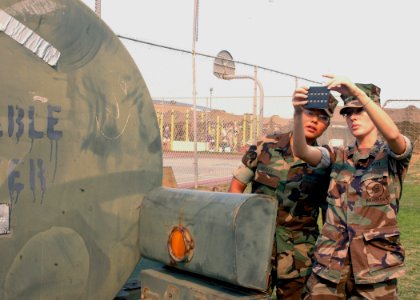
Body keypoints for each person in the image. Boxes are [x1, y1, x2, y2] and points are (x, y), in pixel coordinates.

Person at [292, 75, 413, 299]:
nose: (352, 118)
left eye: (359, 111)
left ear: (375, 111)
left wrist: (358, 93)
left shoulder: (391, 156)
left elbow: (394, 136)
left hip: (375, 270)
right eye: (348, 113)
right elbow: (302, 151)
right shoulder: (338, 156)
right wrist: (298, 112)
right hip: (330, 269)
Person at [228, 95, 337, 300]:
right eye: (310, 113)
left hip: (299, 257)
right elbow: (237, 185)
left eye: (322, 118)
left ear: (327, 124)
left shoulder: (325, 163)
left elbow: (327, 214)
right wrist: (240, 227)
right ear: (299, 114)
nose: (314, 120)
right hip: (256, 247)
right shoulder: (266, 145)